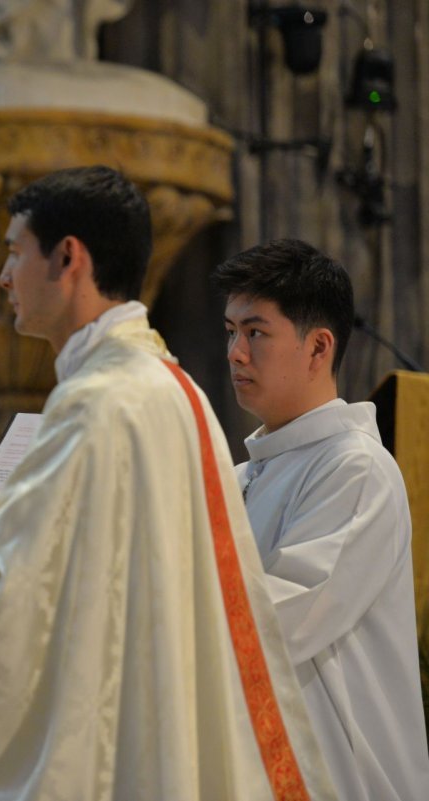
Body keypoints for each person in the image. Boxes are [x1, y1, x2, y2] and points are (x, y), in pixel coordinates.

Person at [0, 166, 337, 800]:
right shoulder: (154, 381)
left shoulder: (101, 402)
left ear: (68, 257)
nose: (4, 277)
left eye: (14, 252)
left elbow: (15, 602)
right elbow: (34, 540)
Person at [214, 239, 429, 801]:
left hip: (342, 778)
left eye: (255, 332)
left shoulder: (355, 470)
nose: (235, 351)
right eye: (230, 331)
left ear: (318, 348)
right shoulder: (240, 478)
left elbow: (281, 617)